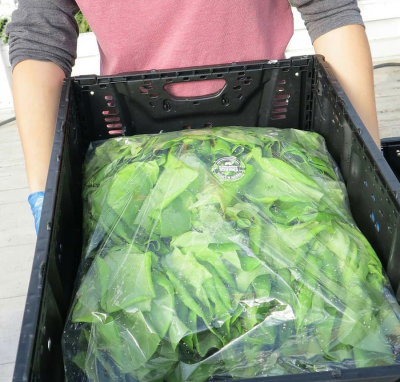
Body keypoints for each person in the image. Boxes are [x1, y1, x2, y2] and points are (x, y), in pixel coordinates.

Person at [6, 0, 380, 234]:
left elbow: (328, 9)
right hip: (137, 159)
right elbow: (40, 36)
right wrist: (44, 192)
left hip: (267, 147)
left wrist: (367, 162)